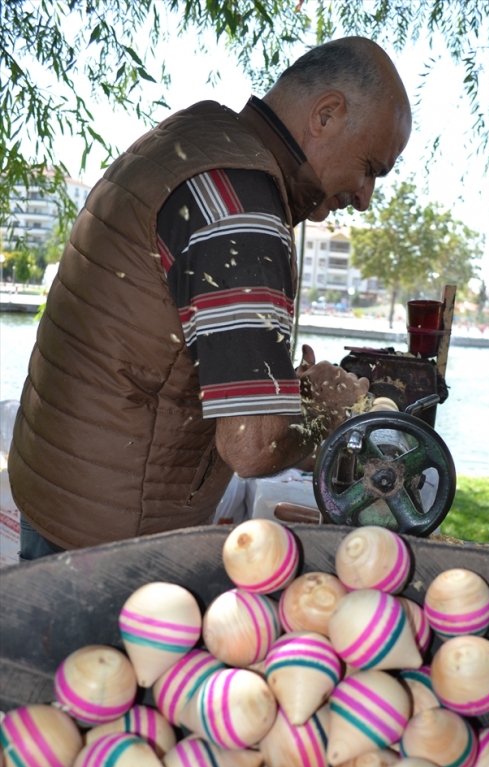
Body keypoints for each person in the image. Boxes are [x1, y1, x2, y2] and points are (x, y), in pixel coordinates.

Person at [8, 37, 411, 558]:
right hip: (108, 542)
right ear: (327, 115)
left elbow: (161, 343)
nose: (363, 197)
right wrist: (328, 415)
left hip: (57, 494)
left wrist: (291, 393)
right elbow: (251, 442)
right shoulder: (240, 206)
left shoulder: (191, 138)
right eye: (371, 168)